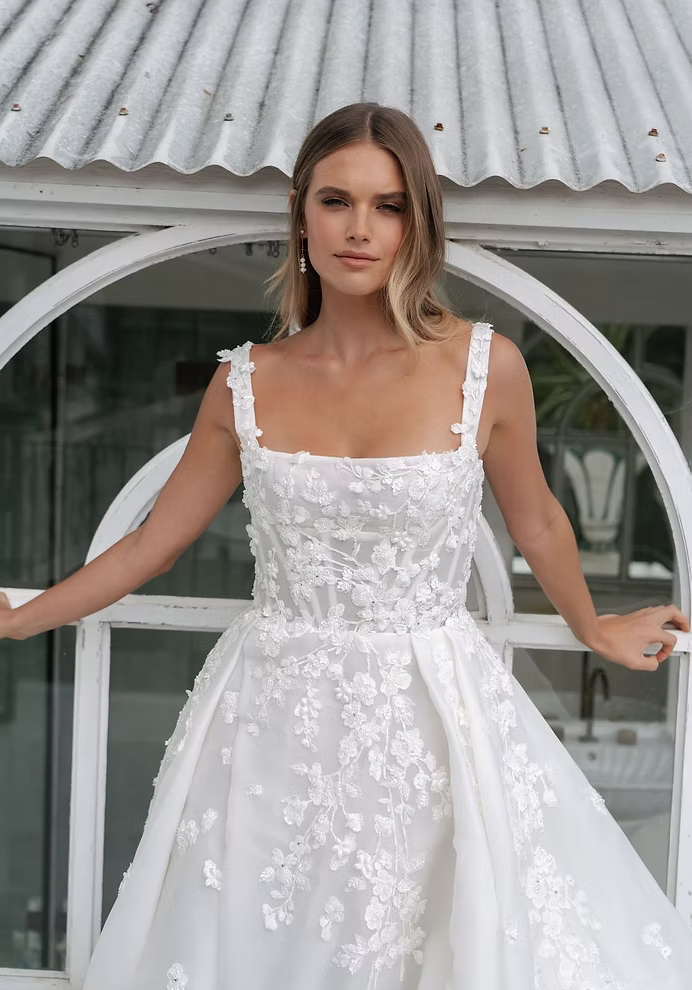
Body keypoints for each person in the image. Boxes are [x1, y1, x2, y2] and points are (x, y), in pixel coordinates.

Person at [1, 101, 691, 989]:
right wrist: (21, 617)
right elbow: (150, 547)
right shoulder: (246, 381)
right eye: (337, 200)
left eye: (389, 205)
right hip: (272, 719)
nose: (360, 229)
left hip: (432, 718)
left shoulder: (486, 365)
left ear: (418, 224)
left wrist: (593, 627)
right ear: (302, 214)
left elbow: (541, 521)